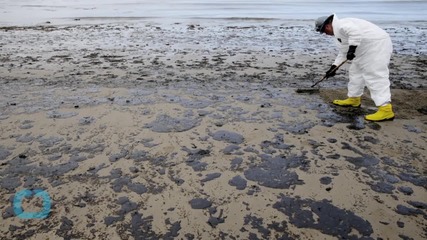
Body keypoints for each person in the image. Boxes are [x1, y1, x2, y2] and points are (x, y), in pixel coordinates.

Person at [315, 14, 395, 122]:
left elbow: (355, 33)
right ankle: (354, 99)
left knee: (374, 75)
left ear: (327, 26)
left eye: (323, 31)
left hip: (376, 45)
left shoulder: (342, 25)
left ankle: (385, 110)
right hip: (363, 49)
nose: (325, 34)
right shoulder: (339, 34)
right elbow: (343, 52)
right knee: (355, 72)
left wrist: (352, 48)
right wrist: (333, 67)